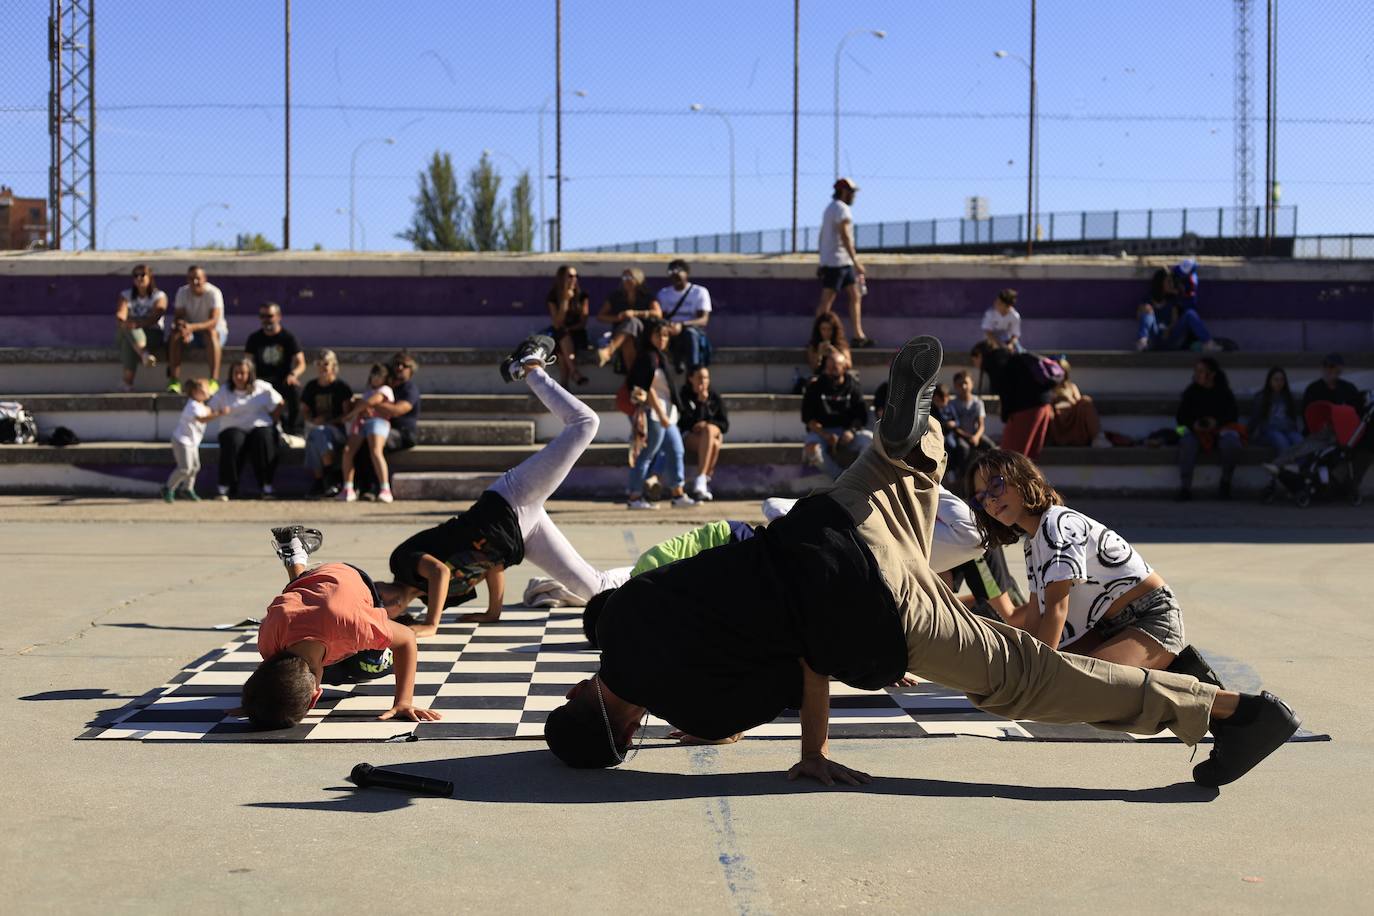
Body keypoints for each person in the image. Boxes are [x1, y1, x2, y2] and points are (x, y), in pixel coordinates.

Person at [544, 334, 1300, 790]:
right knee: (906, 463)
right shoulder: (619, 616)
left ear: (628, 733)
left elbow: (807, 666)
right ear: (579, 692)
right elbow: (613, 619)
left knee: (1036, 684)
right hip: (835, 522)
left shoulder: (700, 712)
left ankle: (1238, 715)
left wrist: (810, 751)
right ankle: (915, 429)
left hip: (885, 614)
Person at [374, 336, 633, 634]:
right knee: (596, 591)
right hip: (521, 537)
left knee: (585, 423)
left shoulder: (403, 563)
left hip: (509, 500)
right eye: (384, 606)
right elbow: (488, 564)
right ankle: (650, 573)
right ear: (399, 614)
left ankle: (530, 366)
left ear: (379, 581)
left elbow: (439, 571)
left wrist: (432, 624)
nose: (386, 598)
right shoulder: (442, 599)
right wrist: (492, 612)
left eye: (378, 592)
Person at [966, 448, 1222, 685]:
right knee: (1054, 678)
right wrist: (1023, 665)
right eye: (981, 498)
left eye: (996, 486)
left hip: (1151, 619)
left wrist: (1035, 674)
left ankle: (1201, 692)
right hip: (1102, 628)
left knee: (1079, 687)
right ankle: (1155, 670)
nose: (990, 501)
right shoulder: (1032, 543)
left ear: (1022, 479)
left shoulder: (1056, 525)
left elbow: (1057, 608)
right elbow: (1036, 614)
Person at [238, 526, 443, 729]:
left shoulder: (354, 627)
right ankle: (295, 556)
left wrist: (403, 702)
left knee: (372, 667)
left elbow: (406, 638)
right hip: (309, 588)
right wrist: (258, 705)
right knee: (321, 664)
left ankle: (387, 617)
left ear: (315, 698)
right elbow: (272, 676)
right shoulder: (267, 642)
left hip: (351, 579)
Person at [626, 319, 695, 509]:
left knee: (676, 451)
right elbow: (647, 389)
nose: (663, 339)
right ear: (650, 336)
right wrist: (661, 414)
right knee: (647, 454)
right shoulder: (648, 357)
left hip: (667, 414)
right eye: (658, 335)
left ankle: (678, 494)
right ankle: (634, 497)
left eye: (665, 335)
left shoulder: (662, 357)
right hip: (654, 414)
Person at [208, 356, 284, 500]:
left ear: (250, 374)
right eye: (236, 373)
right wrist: (219, 413)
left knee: (263, 438)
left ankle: (266, 486)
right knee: (232, 441)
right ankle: (226, 487)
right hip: (233, 426)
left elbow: (279, 402)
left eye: (243, 373)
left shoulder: (262, 387)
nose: (239, 376)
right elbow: (209, 410)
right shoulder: (224, 391)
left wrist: (274, 420)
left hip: (259, 425)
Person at [348, 352, 422, 498]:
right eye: (397, 365)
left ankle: (376, 487)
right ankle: (356, 486)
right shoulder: (386, 387)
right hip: (384, 427)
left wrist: (372, 403)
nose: (399, 368)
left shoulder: (409, 389)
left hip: (403, 432)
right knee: (358, 442)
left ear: (411, 370)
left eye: (404, 366)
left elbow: (397, 410)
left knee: (374, 443)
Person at [969, 341, 1054, 460]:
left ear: (979, 354)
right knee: (1030, 455)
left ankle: (1015, 478)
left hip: (1026, 408)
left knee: (1012, 455)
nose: (975, 365)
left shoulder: (994, 361)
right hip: (1043, 404)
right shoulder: (1008, 355)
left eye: (974, 360)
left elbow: (1006, 391)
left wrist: (1005, 416)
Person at [815, 177, 872, 347]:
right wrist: (856, 261)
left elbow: (822, 236)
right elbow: (845, 235)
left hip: (838, 261)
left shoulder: (830, 209)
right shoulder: (842, 209)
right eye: (852, 193)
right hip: (837, 261)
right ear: (844, 192)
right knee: (827, 302)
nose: (853, 196)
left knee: (855, 295)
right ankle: (817, 338)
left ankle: (858, 335)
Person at [1176, 357, 1243, 501]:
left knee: (1232, 442)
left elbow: (1233, 415)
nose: (1197, 374)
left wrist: (1216, 422)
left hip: (1219, 430)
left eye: (1201, 371)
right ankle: (1185, 488)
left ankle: (1226, 482)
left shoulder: (1224, 391)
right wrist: (1193, 425)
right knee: (1184, 439)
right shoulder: (1191, 391)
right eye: (1196, 371)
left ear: (1212, 374)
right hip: (1194, 431)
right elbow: (1180, 418)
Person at [801, 345, 871, 478]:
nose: (830, 371)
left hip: (847, 432)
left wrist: (851, 431)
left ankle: (856, 478)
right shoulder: (815, 387)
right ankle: (840, 478)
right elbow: (808, 419)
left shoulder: (853, 387)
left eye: (834, 367)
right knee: (812, 449)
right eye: (828, 367)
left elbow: (861, 416)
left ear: (844, 367)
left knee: (870, 441)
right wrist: (825, 435)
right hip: (822, 432)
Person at [160, 378, 229, 503]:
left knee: (195, 467)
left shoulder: (201, 405)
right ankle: (168, 488)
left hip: (192, 442)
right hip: (182, 441)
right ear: (194, 392)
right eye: (204, 389)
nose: (208, 391)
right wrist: (219, 413)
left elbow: (208, 411)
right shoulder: (192, 405)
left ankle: (187, 488)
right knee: (184, 468)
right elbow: (202, 419)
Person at [243, 302, 305, 435]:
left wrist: (293, 375)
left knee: (295, 389)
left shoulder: (288, 337)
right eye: (262, 316)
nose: (266, 320)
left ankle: (295, 430)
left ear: (278, 316)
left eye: (269, 316)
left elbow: (301, 363)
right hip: (261, 382)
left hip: (283, 380)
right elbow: (247, 363)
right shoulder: (254, 338)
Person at [337, 363, 396, 504]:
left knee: (375, 451)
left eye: (379, 376)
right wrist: (360, 408)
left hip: (378, 422)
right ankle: (348, 488)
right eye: (374, 375)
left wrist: (353, 412)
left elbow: (372, 401)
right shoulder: (368, 391)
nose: (376, 378)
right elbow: (365, 404)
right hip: (362, 423)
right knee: (347, 451)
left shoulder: (385, 389)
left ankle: (385, 488)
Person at [166, 265, 228, 393]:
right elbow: (178, 317)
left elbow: (213, 322)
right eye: (191, 279)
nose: (195, 282)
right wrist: (182, 328)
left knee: (211, 334)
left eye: (198, 278)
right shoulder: (182, 292)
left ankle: (214, 381)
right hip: (191, 333)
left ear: (204, 279)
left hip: (215, 332)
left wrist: (191, 328)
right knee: (175, 335)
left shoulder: (214, 293)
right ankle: (174, 381)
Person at [300, 350, 354, 498]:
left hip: (338, 430)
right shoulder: (311, 387)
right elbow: (305, 410)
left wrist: (328, 421)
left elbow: (347, 415)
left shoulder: (341, 387)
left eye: (326, 364)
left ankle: (321, 479)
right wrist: (311, 420)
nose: (322, 368)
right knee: (315, 436)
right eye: (319, 364)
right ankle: (328, 480)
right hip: (318, 430)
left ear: (333, 366)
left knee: (317, 434)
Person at [1136, 263, 1222, 353]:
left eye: (1172, 281)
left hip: (1171, 338)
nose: (1171, 284)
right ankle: (1142, 343)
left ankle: (1208, 343)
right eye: (1168, 281)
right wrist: (1146, 310)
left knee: (1190, 313)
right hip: (1154, 338)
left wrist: (1169, 329)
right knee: (1147, 312)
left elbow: (1175, 320)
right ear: (1160, 282)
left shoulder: (1172, 300)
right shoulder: (1149, 299)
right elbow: (1140, 317)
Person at [678, 364, 728, 502]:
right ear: (691, 379)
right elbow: (685, 423)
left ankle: (700, 479)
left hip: (710, 433)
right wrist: (700, 403)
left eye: (706, 378)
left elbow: (724, 424)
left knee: (709, 430)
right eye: (699, 378)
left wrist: (707, 424)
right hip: (691, 437)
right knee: (715, 444)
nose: (703, 381)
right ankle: (704, 480)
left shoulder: (714, 396)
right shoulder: (684, 395)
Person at [114, 264, 167, 391]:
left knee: (129, 341)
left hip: (152, 334)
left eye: (142, 275)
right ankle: (144, 354)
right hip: (130, 331)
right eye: (136, 275)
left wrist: (137, 324)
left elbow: (156, 317)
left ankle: (127, 382)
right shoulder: (126, 295)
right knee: (128, 331)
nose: (139, 278)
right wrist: (128, 323)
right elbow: (121, 315)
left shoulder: (159, 296)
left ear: (150, 277)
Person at [597, 268, 661, 370]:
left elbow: (658, 313)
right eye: (624, 277)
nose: (626, 280)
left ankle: (608, 351)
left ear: (638, 279)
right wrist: (618, 318)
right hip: (621, 334)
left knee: (632, 321)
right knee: (628, 341)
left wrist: (635, 313)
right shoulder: (615, 296)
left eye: (630, 277)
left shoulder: (647, 296)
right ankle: (631, 382)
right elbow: (601, 316)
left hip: (643, 334)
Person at [658, 259, 713, 372]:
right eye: (671, 272)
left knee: (689, 334)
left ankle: (693, 369)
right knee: (660, 334)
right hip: (670, 330)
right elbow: (660, 317)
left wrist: (682, 325)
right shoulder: (664, 293)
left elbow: (703, 320)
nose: (674, 274)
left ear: (686, 273)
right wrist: (669, 327)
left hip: (692, 330)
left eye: (678, 271)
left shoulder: (699, 292)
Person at [545, 265, 592, 387]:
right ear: (562, 278)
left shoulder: (582, 296)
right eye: (570, 276)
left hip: (577, 334)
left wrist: (569, 329)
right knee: (561, 336)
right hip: (560, 334)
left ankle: (565, 384)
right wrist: (565, 300)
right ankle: (574, 373)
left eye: (576, 276)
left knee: (561, 345)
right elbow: (557, 323)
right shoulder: (553, 296)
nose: (574, 279)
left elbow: (583, 322)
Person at [1045, 357, 1105, 448]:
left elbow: (1078, 401)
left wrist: (1068, 399)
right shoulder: (1048, 387)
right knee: (1045, 410)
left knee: (1086, 400)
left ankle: (1098, 437)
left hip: (1073, 416)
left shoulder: (1071, 386)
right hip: (1056, 418)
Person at [1249, 367, 1304, 455]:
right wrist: (1249, 435)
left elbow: (1292, 419)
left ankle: (1300, 466)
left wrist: (1293, 428)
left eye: (1282, 380)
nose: (1279, 383)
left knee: (1299, 440)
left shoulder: (1288, 397)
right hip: (1269, 432)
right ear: (1269, 381)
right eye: (1276, 380)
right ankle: (1285, 464)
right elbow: (1254, 420)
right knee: (1280, 439)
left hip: (1287, 430)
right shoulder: (1261, 398)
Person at [1301, 353, 1366, 415]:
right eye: (1328, 366)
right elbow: (1307, 413)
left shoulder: (1349, 389)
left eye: (1335, 367)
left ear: (1340, 369)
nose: (1331, 370)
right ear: (1322, 368)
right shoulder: (1313, 389)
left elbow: (1357, 411)